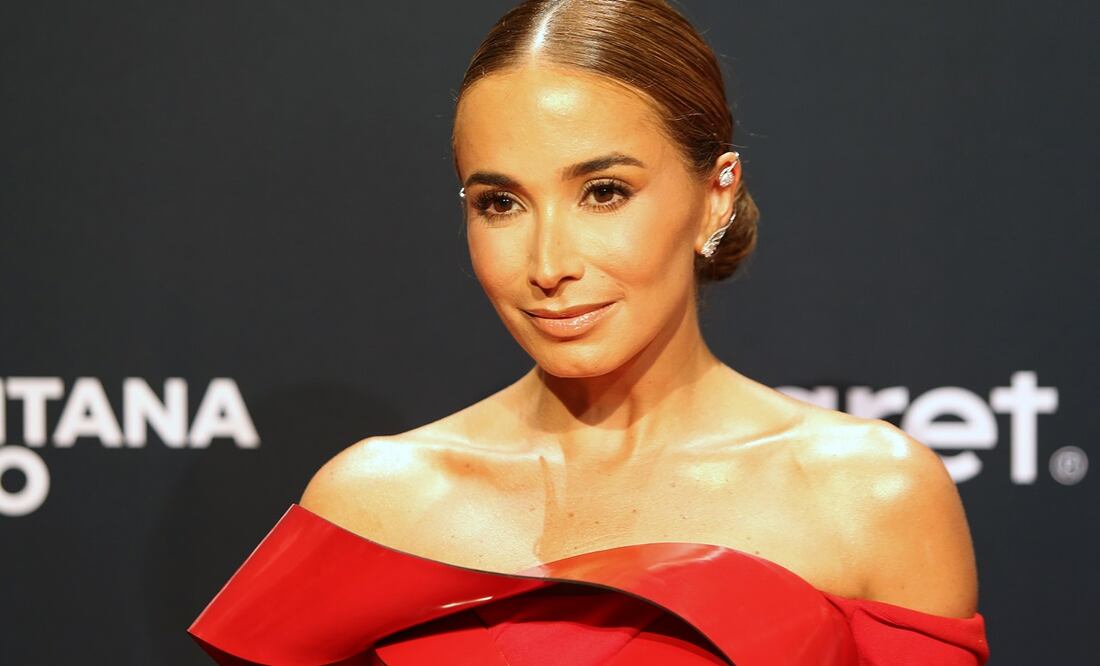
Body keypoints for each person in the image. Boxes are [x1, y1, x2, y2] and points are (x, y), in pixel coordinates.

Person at [188, 1, 989, 663]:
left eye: (603, 192)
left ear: (716, 194)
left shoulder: (872, 499)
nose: (547, 262)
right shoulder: (371, 505)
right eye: (499, 203)